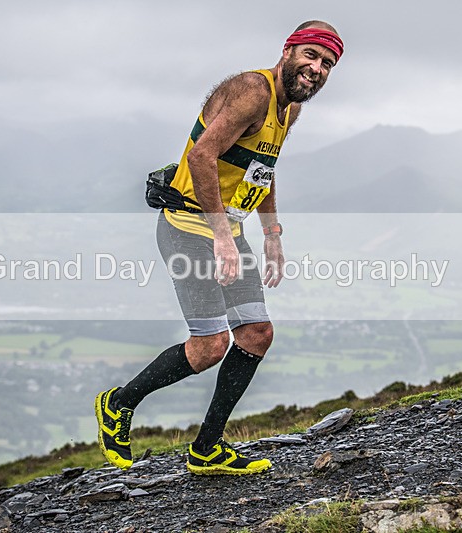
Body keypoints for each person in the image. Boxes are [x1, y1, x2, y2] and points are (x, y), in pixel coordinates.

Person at [95, 20, 343, 475]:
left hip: (228, 231)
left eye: (327, 63)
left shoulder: (289, 109)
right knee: (209, 346)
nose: (317, 68)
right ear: (288, 50)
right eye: (310, 55)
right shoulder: (254, 90)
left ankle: (207, 449)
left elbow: (261, 170)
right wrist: (223, 235)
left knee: (256, 334)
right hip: (191, 227)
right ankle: (118, 404)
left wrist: (272, 237)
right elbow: (200, 156)